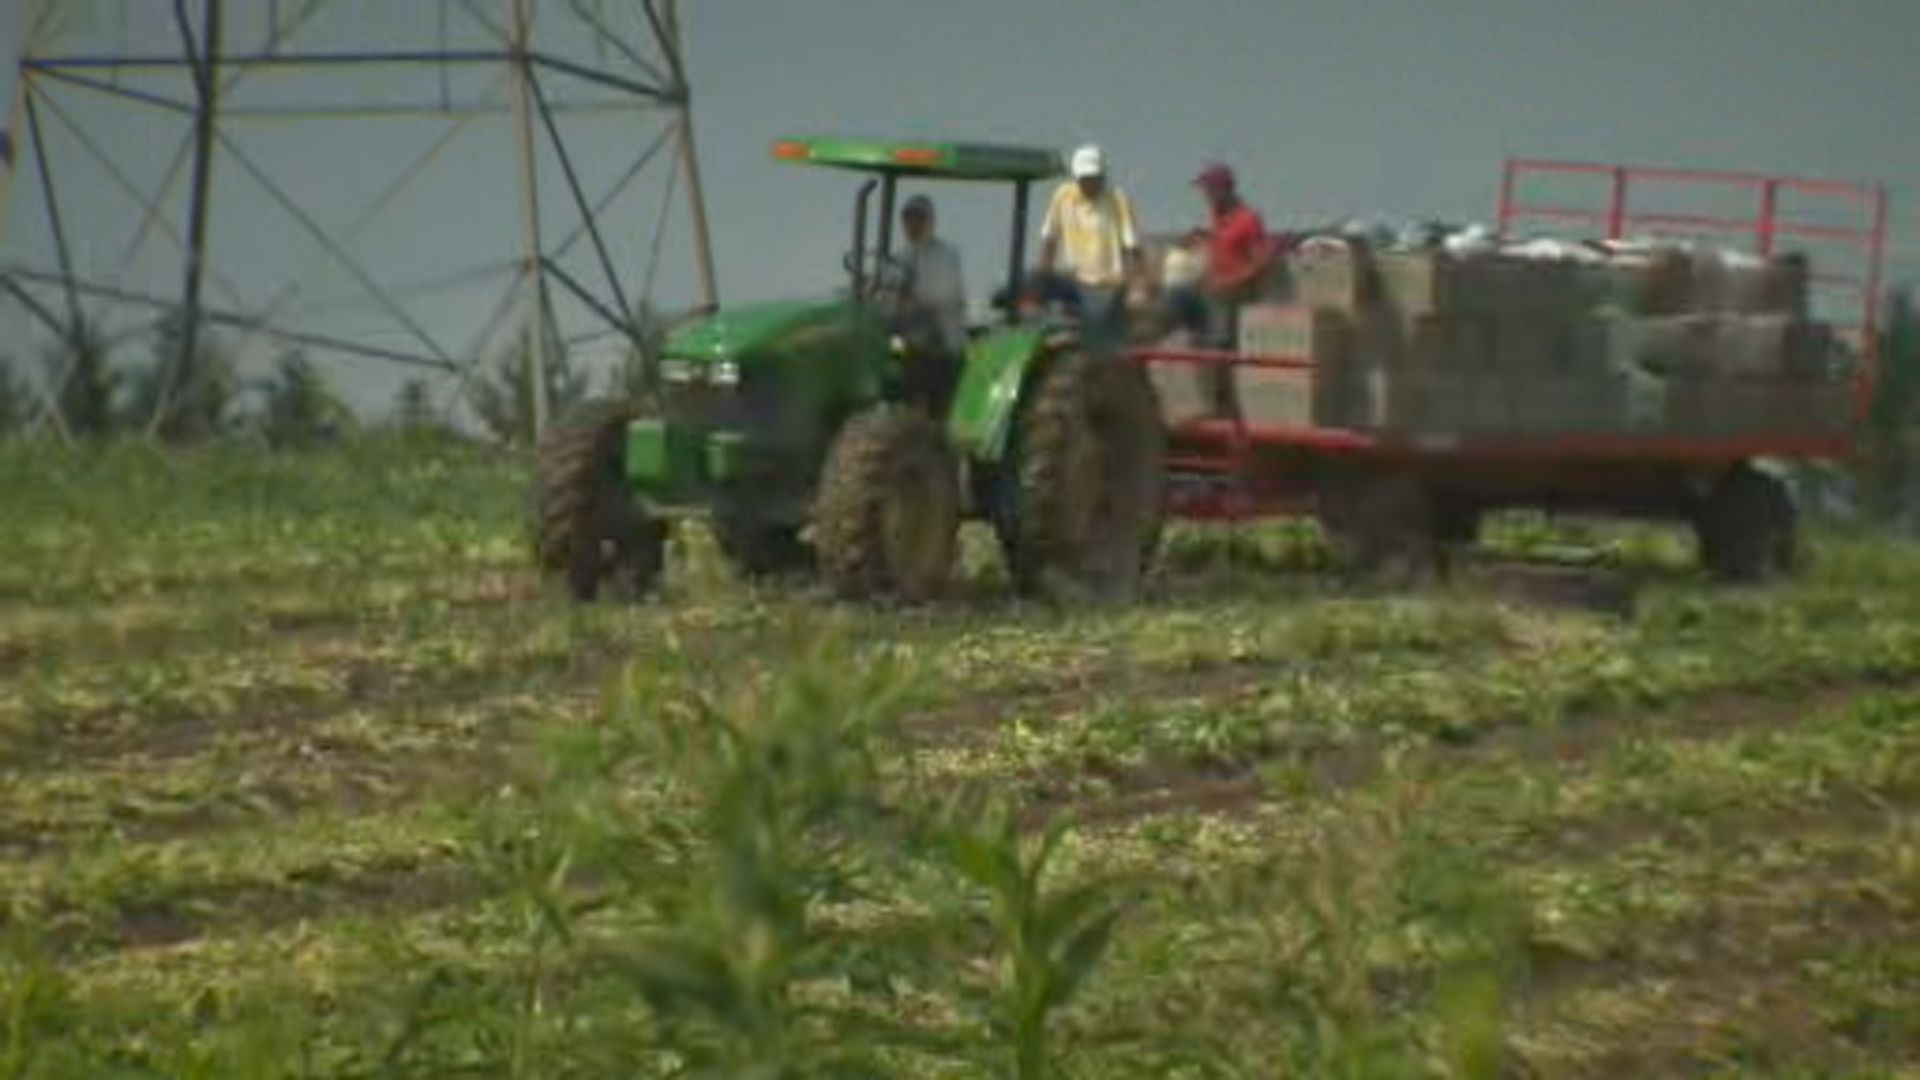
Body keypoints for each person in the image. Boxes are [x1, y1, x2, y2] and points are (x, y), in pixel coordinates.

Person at [1035, 143, 1143, 351]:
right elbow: (1049, 238)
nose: (1090, 184)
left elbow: (1131, 246)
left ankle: (1097, 355)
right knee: (1028, 286)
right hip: (1074, 279)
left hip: (1108, 283)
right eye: (1085, 179)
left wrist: (1133, 285)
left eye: (1094, 178)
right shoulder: (1063, 196)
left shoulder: (1117, 200)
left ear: (1103, 177)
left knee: (1098, 324)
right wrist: (1044, 274)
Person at [1170, 161, 1280, 349]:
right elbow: (1225, 243)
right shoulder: (1218, 217)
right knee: (1177, 296)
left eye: (1209, 190)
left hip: (1235, 294)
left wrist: (1230, 282)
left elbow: (1262, 261)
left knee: (1216, 326)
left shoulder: (1249, 219)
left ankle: (1215, 349)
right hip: (1215, 287)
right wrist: (1202, 237)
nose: (1205, 196)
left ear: (1223, 190)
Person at [896, 194, 967, 411]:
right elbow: (887, 289)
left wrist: (914, 301)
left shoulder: (945, 255)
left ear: (929, 222)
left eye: (918, 219)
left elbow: (945, 295)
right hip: (907, 335)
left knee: (920, 365)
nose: (912, 225)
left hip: (940, 340)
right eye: (908, 219)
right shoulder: (900, 256)